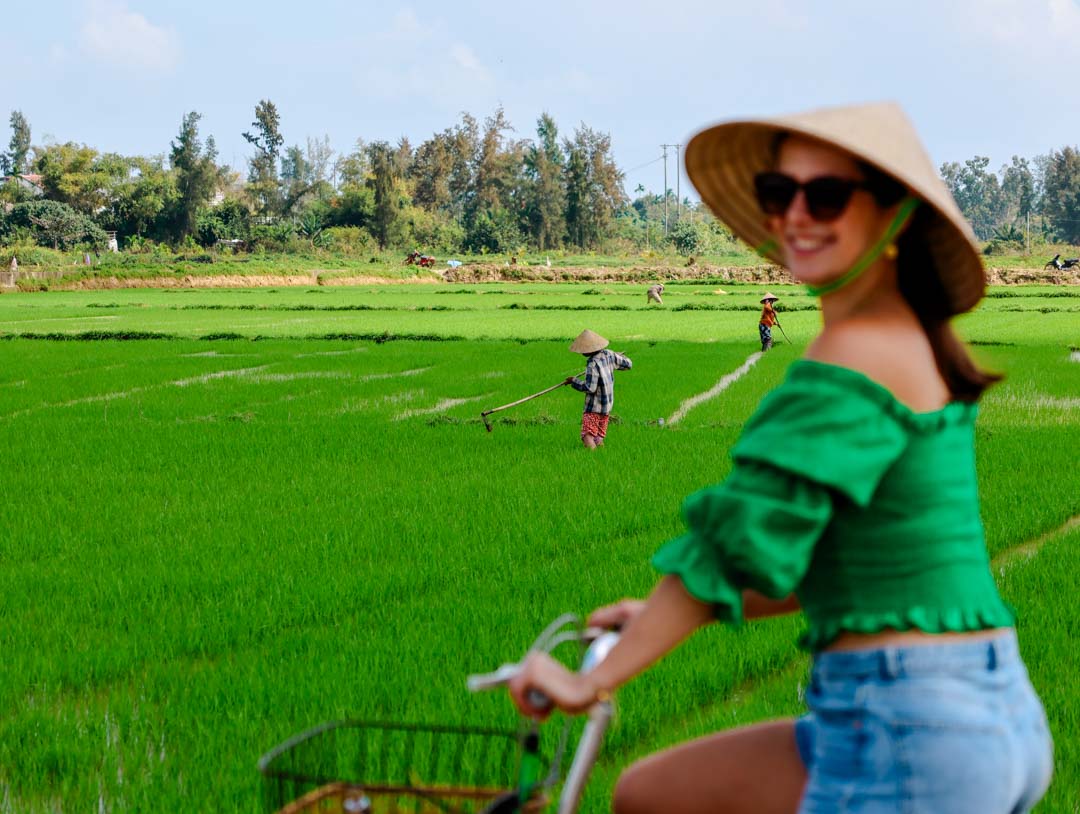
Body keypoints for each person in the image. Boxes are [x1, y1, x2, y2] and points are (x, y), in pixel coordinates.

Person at [508, 103, 1053, 813]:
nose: (797, 213)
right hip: (983, 713)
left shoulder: (852, 356)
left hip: (907, 725)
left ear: (895, 215)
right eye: (779, 193)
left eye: (826, 194)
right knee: (651, 792)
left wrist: (587, 683)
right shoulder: (908, 338)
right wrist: (653, 615)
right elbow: (843, 570)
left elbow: (733, 547)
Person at [566, 329, 632, 449]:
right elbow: (628, 364)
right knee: (598, 437)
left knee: (587, 436)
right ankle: (601, 457)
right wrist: (617, 356)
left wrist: (573, 381)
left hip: (594, 408)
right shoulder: (609, 354)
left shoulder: (592, 364)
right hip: (607, 407)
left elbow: (589, 388)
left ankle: (592, 459)